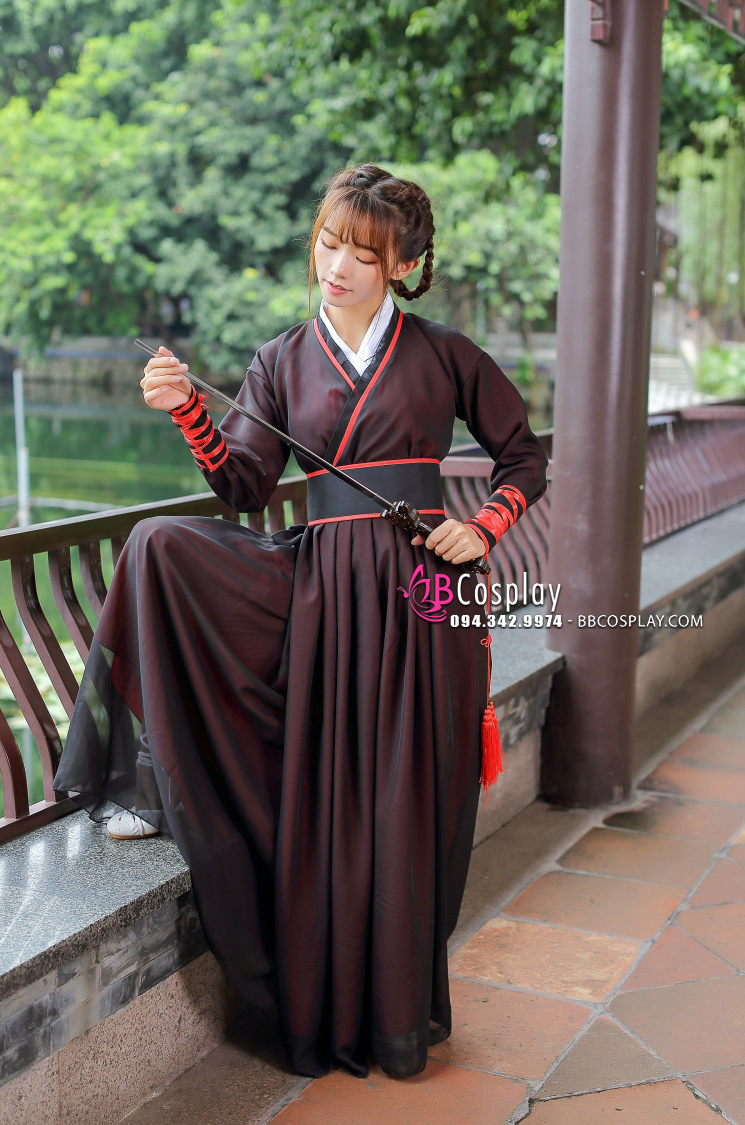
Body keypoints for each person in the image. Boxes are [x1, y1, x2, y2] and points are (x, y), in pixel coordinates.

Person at [53, 162, 548, 1080]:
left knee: (406, 807)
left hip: (424, 597)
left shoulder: (447, 354)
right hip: (322, 590)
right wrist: (189, 411)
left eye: (363, 254)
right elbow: (244, 485)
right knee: (160, 544)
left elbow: (523, 457)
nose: (337, 266)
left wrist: (483, 526)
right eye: (328, 243)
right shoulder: (280, 358)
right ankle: (157, 789)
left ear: (405, 266)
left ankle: (395, 1019)